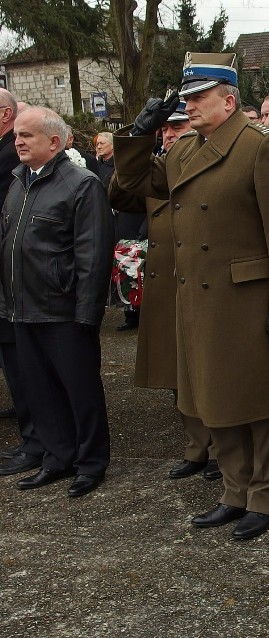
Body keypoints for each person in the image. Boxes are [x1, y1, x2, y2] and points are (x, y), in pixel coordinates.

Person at [112, 52, 269, 540]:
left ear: (229, 99)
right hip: (197, 298)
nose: (190, 106)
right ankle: (233, 491)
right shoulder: (183, 150)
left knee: (257, 404)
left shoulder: (260, 147)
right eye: (186, 98)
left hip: (247, 297)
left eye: (198, 97)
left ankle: (264, 497)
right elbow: (128, 190)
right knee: (211, 400)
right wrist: (137, 134)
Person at [0, 106, 114, 497]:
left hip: (64, 311)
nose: (18, 141)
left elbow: (93, 256)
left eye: (27, 135)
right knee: (40, 393)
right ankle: (57, 457)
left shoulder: (81, 185)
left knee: (79, 391)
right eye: (16, 135)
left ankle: (91, 462)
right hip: (23, 309)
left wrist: (87, 314)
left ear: (54, 141)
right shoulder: (19, 183)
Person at [108, 101, 219, 482]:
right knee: (177, 372)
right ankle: (196, 447)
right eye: (165, 130)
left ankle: (222, 448)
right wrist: (138, 138)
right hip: (166, 284)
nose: (171, 135)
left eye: (179, 127)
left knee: (207, 371)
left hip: (201, 282)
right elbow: (120, 195)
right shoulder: (160, 169)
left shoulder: (206, 167)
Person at [0, 92, 44, 477]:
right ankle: (33, 439)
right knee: (17, 366)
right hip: (11, 282)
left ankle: (37, 441)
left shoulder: (9, 161)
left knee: (24, 367)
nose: (20, 142)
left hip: (21, 285)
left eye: (26, 135)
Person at [97, 130, 145, 331]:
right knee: (122, 266)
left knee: (135, 267)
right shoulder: (97, 165)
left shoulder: (125, 167)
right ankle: (129, 312)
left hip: (133, 219)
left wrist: (143, 231)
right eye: (97, 143)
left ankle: (139, 311)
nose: (98, 146)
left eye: (102, 143)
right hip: (117, 219)